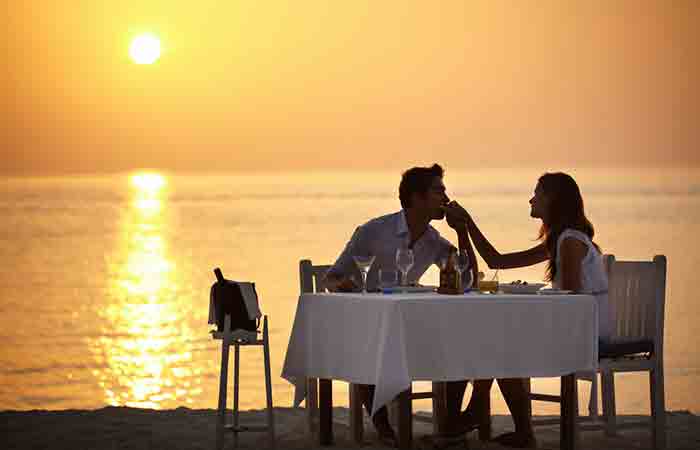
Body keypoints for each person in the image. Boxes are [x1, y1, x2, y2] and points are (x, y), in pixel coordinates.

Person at [443, 172, 609, 448]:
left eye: (538, 194)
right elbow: (496, 261)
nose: (531, 199)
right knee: (493, 341)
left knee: (498, 344)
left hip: (585, 334)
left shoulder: (570, 241)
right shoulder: (560, 240)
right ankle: (503, 423)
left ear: (552, 200)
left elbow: (571, 298)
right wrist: (466, 224)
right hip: (575, 325)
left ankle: (482, 416)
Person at [324, 163, 478, 446]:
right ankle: (383, 427)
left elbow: (467, 279)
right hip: (370, 326)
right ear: (417, 198)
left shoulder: (434, 241)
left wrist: (462, 231)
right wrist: (343, 286)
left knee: (461, 342)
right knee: (369, 348)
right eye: (438, 191)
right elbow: (332, 277)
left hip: (412, 329)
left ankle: (450, 423)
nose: (446, 199)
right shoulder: (373, 231)